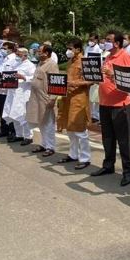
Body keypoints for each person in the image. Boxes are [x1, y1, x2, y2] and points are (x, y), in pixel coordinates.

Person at [91, 31, 130, 186]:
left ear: (117, 43)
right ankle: (108, 165)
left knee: (124, 140)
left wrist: (113, 75)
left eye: (108, 40)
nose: (105, 42)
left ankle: (128, 171)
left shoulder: (125, 57)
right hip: (105, 103)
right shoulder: (108, 57)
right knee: (107, 138)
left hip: (120, 104)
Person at [57, 38, 92, 169]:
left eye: (70, 48)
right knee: (70, 128)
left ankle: (85, 158)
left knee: (80, 129)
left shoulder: (85, 62)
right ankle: (73, 154)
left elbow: (92, 80)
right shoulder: (70, 61)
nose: (68, 51)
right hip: (68, 97)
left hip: (79, 98)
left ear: (78, 49)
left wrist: (75, 83)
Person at [27, 44, 60, 157]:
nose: (37, 53)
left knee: (48, 124)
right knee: (41, 122)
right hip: (37, 98)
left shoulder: (52, 65)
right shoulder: (40, 63)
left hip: (46, 99)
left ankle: (50, 147)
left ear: (46, 53)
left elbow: (55, 83)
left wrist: (52, 98)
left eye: (40, 51)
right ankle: (44, 144)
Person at [4, 47, 36, 145]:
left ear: (25, 55)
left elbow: (34, 78)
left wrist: (23, 77)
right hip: (13, 92)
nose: (17, 56)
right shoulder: (15, 63)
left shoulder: (30, 65)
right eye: (16, 54)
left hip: (23, 93)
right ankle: (19, 134)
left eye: (19, 54)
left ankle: (28, 136)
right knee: (13, 114)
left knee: (23, 115)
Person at [0, 41, 18, 139]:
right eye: (3, 48)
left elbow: (12, 74)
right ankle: (4, 129)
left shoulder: (14, 59)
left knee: (10, 110)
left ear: (11, 49)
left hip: (9, 89)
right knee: (2, 110)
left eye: (5, 48)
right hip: (1, 88)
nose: (3, 50)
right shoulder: (3, 58)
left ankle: (12, 131)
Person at [86, 34, 102, 122]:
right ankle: (91, 114)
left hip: (95, 73)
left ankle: (96, 115)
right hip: (88, 72)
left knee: (96, 96)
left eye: (92, 39)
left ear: (96, 40)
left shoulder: (99, 50)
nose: (90, 41)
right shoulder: (87, 48)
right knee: (90, 95)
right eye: (89, 39)